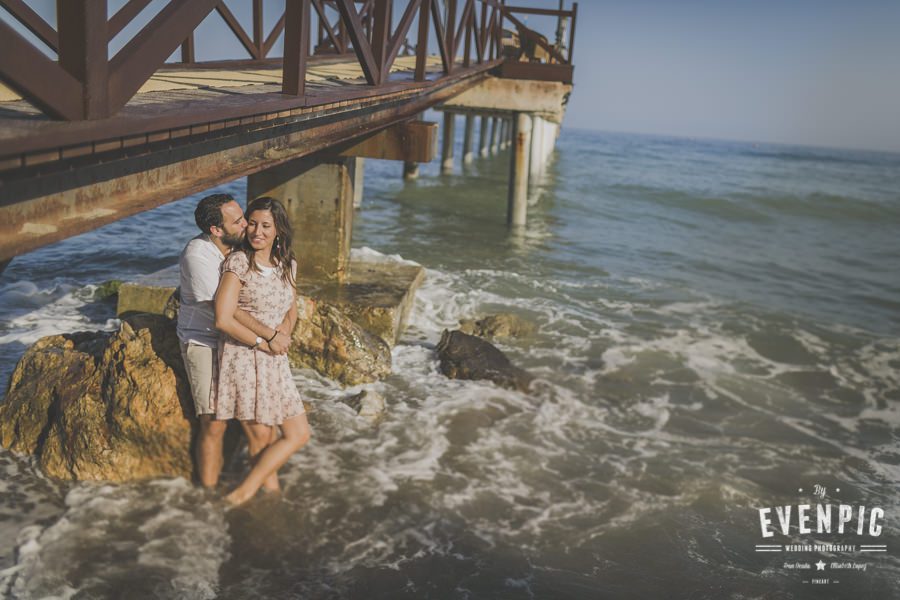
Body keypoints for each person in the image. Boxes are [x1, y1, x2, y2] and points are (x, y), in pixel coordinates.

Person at [177, 193, 292, 489]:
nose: (246, 226)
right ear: (216, 230)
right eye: (239, 221)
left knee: (259, 425)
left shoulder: (240, 245)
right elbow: (225, 310)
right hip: (205, 340)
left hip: (238, 341)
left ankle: (256, 486)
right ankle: (209, 493)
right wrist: (265, 338)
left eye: (244, 217)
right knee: (213, 422)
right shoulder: (198, 255)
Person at [214, 196, 311, 505]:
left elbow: (291, 309)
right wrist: (266, 338)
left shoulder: (287, 264)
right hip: (244, 356)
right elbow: (223, 317)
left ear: (278, 230)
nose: (258, 231)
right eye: (252, 223)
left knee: (298, 434)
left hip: (275, 360)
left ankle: (252, 494)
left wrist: (284, 334)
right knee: (260, 438)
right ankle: (262, 497)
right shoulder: (239, 262)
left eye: (266, 225)